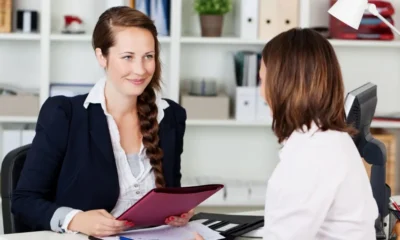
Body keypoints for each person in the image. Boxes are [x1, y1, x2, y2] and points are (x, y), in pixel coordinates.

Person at [11, 6, 193, 238]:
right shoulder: (64, 114)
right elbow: (23, 201)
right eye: (127, 57)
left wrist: (178, 213)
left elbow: (170, 194)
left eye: (148, 56)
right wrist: (75, 219)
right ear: (101, 56)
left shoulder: (171, 116)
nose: (140, 70)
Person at [195, 27, 379, 240]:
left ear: (282, 85)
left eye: (262, 80)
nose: (261, 93)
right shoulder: (330, 139)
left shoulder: (312, 154)